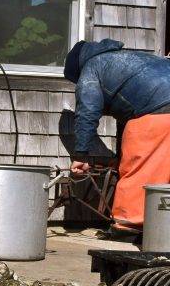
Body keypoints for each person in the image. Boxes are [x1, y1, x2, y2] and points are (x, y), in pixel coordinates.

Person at [63, 38, 170, 240]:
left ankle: (128, 228)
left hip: (158, 113)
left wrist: (81, 155)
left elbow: (87, 111)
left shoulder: (91, 68)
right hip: (162, 105)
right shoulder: (133, 58)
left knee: (140, 170)